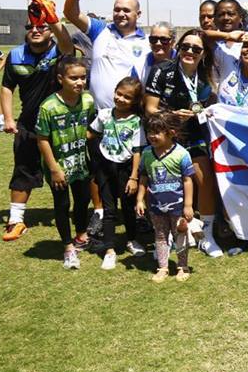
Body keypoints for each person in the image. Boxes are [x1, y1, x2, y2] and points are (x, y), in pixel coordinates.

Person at [1, 0, 75, 242]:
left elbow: (67, 43)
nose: (35, 30)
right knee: (23, 170)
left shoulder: (59, 52)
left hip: (62, 127)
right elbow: (7, 87)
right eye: (31, 26)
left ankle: (84, 218)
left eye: (41, 27)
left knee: (72, 171)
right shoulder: (15, 55)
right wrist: (8, 119)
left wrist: (51, 16)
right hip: (29, 125)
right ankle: (15, 219)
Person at [144, 28, 222, 258]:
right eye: (185, 47)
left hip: (195, 135)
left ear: (203, 54)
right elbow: (149, 108)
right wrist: (171, 116)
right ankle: (165, 234)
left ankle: (207, 235)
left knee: (204, 179)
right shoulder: (161, 71)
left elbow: (211, 105)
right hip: (166, 136)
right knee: (164, 186)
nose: (189, 51)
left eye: (196, 49)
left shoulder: (208, 76)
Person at [35, 57, 96, 269]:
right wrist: (54, 168)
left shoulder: (88, 101)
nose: (79, 82)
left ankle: (81, 236)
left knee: (83, 200)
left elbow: (92, 126)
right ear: (61, 78)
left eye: (83, 77)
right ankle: (68, 246)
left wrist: (84, 137)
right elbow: (42, 139)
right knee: (62, 204)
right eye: (74, 78)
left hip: (80, 163)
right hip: (58, 166)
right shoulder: (49, 107)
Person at [62, 0, 150, 109]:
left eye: (126, 10)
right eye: (117, 9)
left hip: (131, 118)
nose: (121, 13)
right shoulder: (100, 30)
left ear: (138, 14)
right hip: (98, 116)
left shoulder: (148, 42)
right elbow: (71, 14)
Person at [88, 76, 145, 267]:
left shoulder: (136, 121)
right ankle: (110, 249)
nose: (121, 99)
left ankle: (132, 239)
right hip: (105, 168)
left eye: (127, 97)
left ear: (135, 101)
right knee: (109, 209)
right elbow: (91, 133)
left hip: (127, 169)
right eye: (118, 94)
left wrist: (134, 176)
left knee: (128, 208)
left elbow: (137, 150)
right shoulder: (104, 114)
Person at [135, 111, 195, 283]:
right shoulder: (146, 154)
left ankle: (182, 267)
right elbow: (144, 178)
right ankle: (162, 267)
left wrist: (188, 205)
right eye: (149, 132)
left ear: (171, 133)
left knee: (180, 235)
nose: (151, 136)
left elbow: (187, 180)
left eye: (157, 132)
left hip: (178, 206)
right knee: (160, 235)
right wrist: (140, 199)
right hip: (156, 206)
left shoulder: (181, 154)